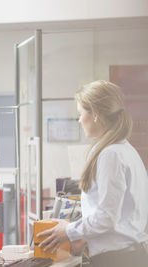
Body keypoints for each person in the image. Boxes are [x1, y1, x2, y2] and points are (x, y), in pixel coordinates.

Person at [38, 81, 148, 266]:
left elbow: (107, 217)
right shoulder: (125, 150)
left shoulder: (110, 154)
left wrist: (69, 230)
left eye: (81, 114)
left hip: (117, 260)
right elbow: (119, 216)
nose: (80, 120)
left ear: (95, 115)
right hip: (129, 254)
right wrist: (86, 237)